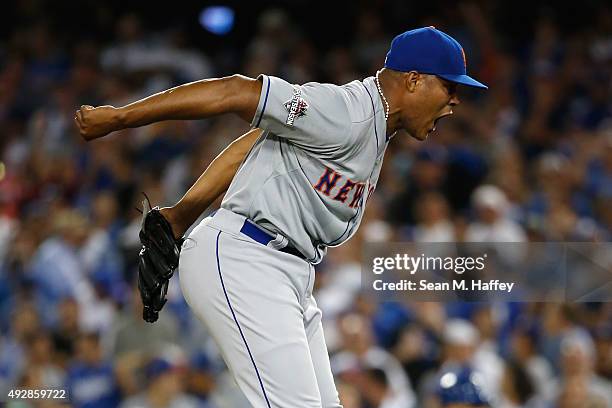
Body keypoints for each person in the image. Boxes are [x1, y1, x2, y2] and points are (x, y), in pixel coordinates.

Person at [76, 26, 487, 408]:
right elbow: (235, 92)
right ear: (414, 80)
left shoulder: (375, 128)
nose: (454, 101)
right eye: (449, 87)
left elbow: (257, 143)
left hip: (285, 274)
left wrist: (184, 213)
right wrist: (120, 118)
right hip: (247, 258)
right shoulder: (346, 112)